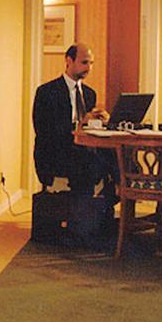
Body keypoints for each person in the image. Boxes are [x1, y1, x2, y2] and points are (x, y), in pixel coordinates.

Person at [32, 42, 116, 247]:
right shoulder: (47, 92)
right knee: (91, 164)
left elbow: (90, 130)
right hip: (56, 153)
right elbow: (45, 131)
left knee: (116, 156)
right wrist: (80, 122)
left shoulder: (89, 93)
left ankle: (110, 210)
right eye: (84, 62)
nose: (89, 68)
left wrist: (102, 122)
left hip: (83, 150)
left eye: (91, 63)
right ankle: (80, 229)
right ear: (69, 61)